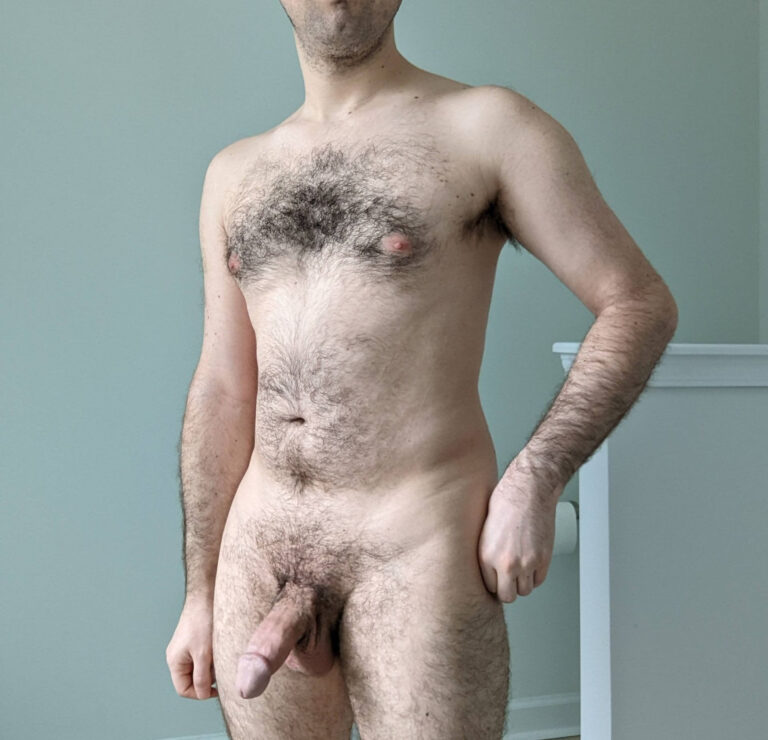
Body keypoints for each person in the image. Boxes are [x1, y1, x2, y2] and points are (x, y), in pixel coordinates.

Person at [165, 1, 678, 738]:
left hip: (412, 546)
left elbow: (638, 303)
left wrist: (535, 478)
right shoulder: (232, 174)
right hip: (260, 549)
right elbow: (222, 387)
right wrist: (202, 591)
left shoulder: (487, 128)